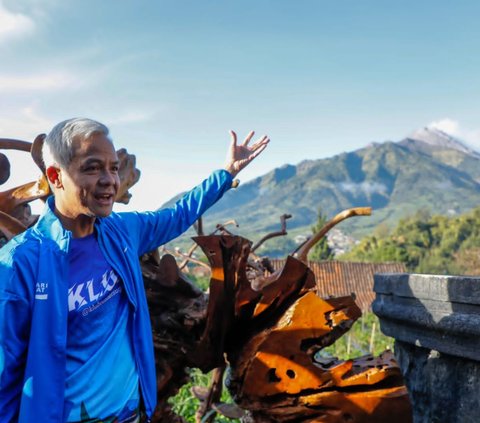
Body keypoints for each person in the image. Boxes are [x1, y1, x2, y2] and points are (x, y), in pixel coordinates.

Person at [0, 118, 269, 423]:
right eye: (92, 167)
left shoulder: (122, 232)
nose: (109, 180)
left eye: (113, 168)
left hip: (131, 414)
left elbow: (178, 215)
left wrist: (226, 173)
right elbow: (5, 369)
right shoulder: (20, 263)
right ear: (55, 176)